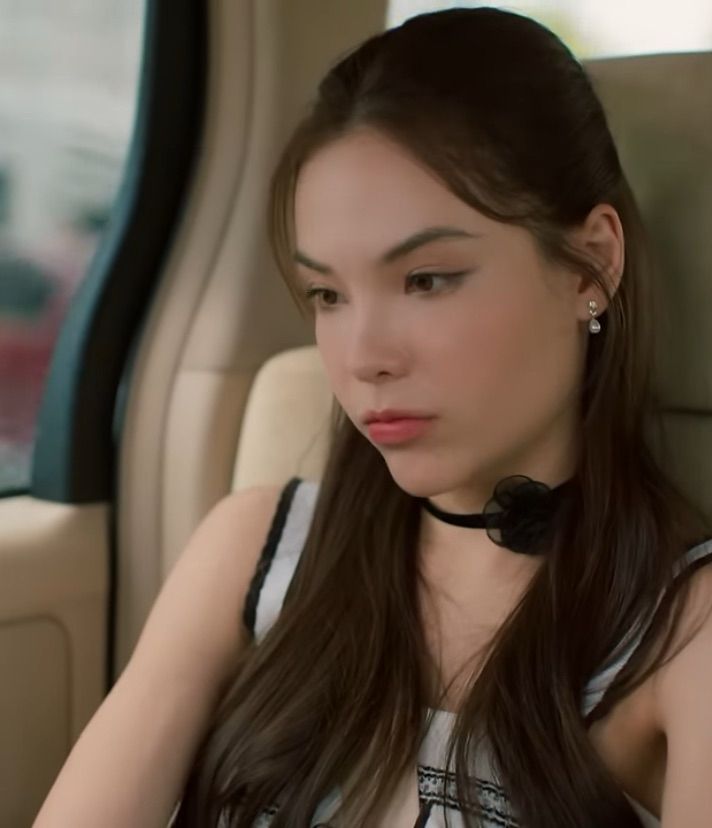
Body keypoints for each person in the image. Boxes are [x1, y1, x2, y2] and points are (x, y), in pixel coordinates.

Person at [34, 8, 712, 828]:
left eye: (427, 280)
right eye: (327, 295)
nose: (362, 357)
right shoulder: (253, 548)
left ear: (591, 266)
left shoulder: (685, 629)